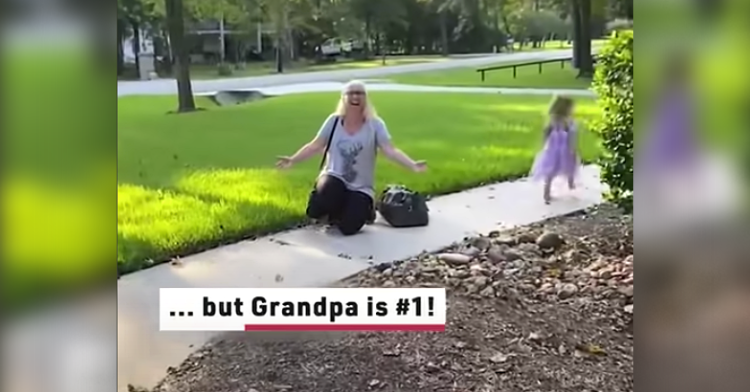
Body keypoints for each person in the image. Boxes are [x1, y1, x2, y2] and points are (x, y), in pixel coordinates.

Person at [276, 80, 427, 235]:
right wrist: (293, 159)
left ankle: (361, 210)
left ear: (366, 98)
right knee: (328, 191)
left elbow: (390, 150)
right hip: (334, 178)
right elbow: (315, 146)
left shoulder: (375, 125)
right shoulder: (333, 121)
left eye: (360, 93)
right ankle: (325, 207)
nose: (355, 97)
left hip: (361, 186)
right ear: (344, 97)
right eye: (351, 93)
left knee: (348, 228)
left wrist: (412, 165)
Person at [530, 95, 581, 204]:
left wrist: (545, 145)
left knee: (551, 170)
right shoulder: (567, 121)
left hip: (553, 149)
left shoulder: (552, 120)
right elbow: (571, 136)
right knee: (570, 164)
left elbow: (546, 134)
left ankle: (547, 191)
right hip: (565, 149)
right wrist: (573, 147)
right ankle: (570, 183)